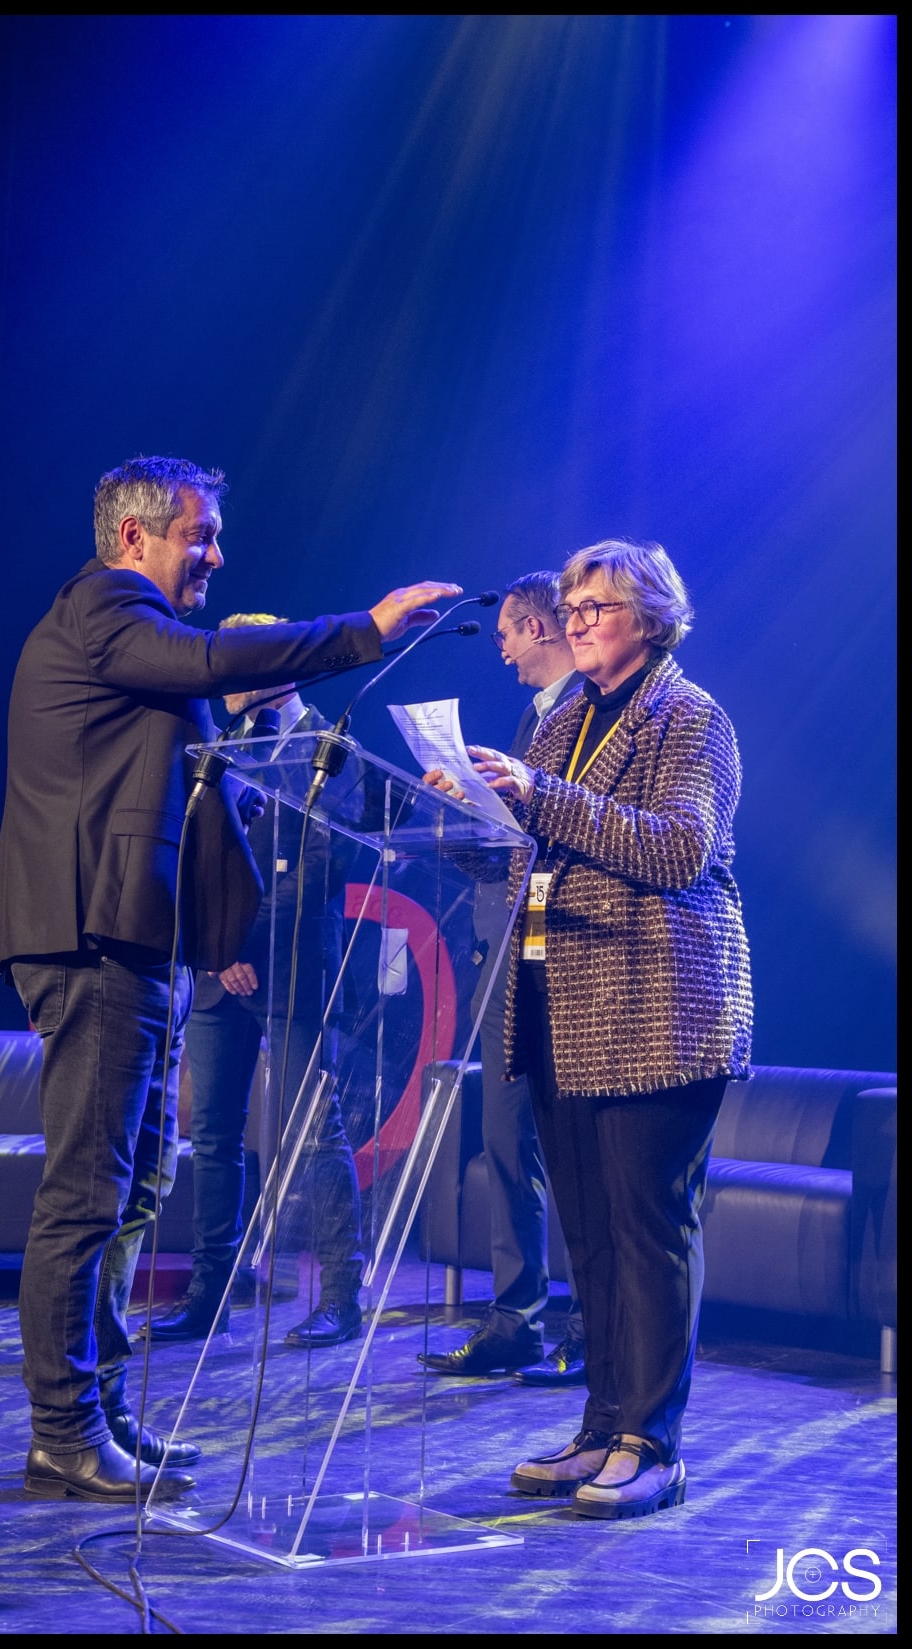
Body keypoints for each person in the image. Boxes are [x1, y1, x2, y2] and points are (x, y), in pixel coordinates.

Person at [0, 453, 460, 1504]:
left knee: (129, 1189)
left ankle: (98, 1409)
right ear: (134, 537)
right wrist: (365, 630)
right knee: (87, 1194)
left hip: (137, 944)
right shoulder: (105, 607)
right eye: (198, 534)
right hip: (92, 939)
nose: (215, 553)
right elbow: (212, 662)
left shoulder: (125, 639)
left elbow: (174, 789)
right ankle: (64, 1430)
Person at [424, 538, 751, 1519]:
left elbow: (681, 847)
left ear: (650, 616)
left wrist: (539, 796)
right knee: (590, 1235)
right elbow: (526, 854)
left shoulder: (689, 716)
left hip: (657, 1004)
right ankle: (603, 1424)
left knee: (647, 1229)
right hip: (559, 1002)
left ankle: (653, 1444)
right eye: (568, 608)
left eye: (594, 607)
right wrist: (471, 814)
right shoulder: (564, 719)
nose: (575, 623)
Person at [147, 613, 366, 1351]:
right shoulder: (222, 747)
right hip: (219, 972)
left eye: (243, 665)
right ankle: (211, 1292)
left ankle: (341, 1296)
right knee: (213, 1133)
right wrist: (216, 949)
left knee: (313, 1129)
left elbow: (321, 869)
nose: (227, 680)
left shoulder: (332, 748)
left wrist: (241, 941)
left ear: (277, 671)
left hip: (290, 968)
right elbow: (197, 857)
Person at [418, 572, 586, 1382]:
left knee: (577, 1147)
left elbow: (581, 828)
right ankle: (515, 1317)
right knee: (505, 1138)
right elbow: (511, 849)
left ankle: (591, 1327)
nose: (504, 654)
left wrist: (505, 802)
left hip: (572, 949)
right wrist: (460, 810)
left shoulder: (593, 707)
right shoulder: (532, 718)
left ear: (536, 626)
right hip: (510, 944)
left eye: (507, 636)